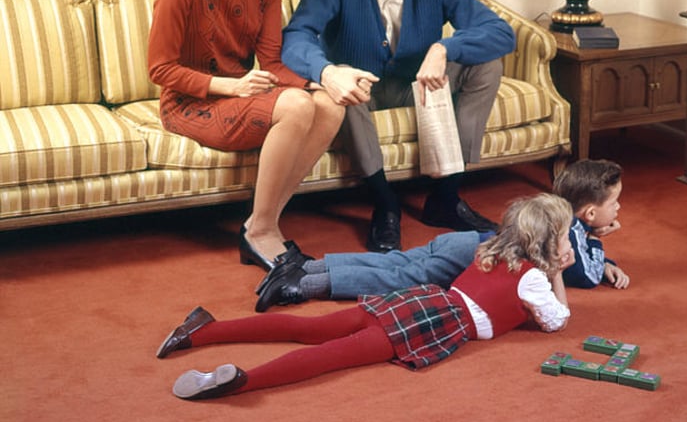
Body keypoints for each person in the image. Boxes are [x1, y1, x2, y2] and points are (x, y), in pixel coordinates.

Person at [147, 0, 374, 270]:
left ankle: (261, 224)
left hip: (243, 95)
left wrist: (327, 79)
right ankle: (262, 233)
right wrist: (230, 86)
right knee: (296, 105)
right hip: (191, 104)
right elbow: (160, 70)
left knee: (329, 104)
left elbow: (272, 62)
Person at [156, 193, 574, 400]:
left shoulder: (489, 249)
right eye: (565, 236)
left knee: (312, 329)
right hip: (431, 322)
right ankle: (245, 382)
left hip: (418, 300)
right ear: (547, 243)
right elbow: (556, 320)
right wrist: (557, 274)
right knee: (331, 356)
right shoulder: (533, 280)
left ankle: (204, 330)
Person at [281, 0, 516, 253]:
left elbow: (500, 32)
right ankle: (385, 204)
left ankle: (446, 196)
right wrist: (328, 72)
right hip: (362, 88)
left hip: (415, 84)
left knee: (487, 65)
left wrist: (444, 48)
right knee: (337, 90)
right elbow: (296, 36)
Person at [252, 159, 629, 312]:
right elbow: (584, 276)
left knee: (396, 261)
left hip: (466, 240)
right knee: (398, 277)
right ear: (589, 214)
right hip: (470, 257)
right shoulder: (570, 233)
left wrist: (602, 254)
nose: (617, 210)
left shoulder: (554, 212)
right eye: (614, 203)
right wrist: (598, 242)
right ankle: (302, 284)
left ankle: (302, 266)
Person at [552, 158, 630, 290]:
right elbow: (588, 277)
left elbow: (580, 252)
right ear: (591, 213)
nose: (618, 206)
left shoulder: (564, 216)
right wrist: (595, 238)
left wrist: (604, 264)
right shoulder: (571, 230)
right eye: (613, 203)